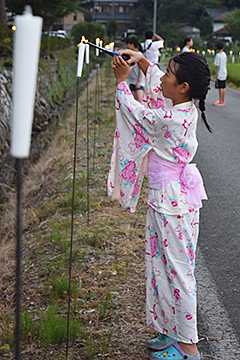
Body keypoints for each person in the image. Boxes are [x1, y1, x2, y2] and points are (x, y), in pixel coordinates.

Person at [108, 50, 212, 360]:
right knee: (161, 267)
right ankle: (171, 329)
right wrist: (142, 61)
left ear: (183, 88)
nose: (163, 77)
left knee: (178, 272)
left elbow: (138, 114)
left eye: (169, 73)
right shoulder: (182, 108)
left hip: (171, 203)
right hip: (172, 199)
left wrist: (121, 83)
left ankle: (189, 347)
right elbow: (158, 90)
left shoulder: (170, 117)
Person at [126, 37, 145, 102]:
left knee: (140, 102)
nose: (127, 46)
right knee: (134, 102)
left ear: (132, 44)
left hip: (139, 82)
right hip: (132, 81)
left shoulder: (139, 55)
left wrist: (139, 82)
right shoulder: (130, 55)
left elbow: (141, 69)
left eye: (128, 44)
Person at [213, 41, 227, 106]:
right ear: (223, 47)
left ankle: (220, 101)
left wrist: (217, 75)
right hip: (224, 72)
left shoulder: (218, 55)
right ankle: (223, 100)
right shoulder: (225, 55)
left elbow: (217, 66)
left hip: (220, 73)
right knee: (223, 87)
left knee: (220, 87)